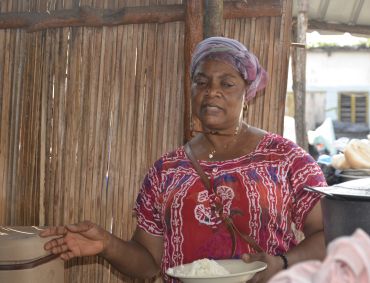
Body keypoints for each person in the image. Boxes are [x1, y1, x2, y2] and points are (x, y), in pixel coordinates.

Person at [40, 37, 327, 283]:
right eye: (201, 81)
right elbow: (148, 262)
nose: (211, 91)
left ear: (247, 94)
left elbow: (329, 235)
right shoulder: (167, 170)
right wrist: (107, 245)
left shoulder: (286, 159)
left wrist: (283, 263)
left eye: (227, 83)